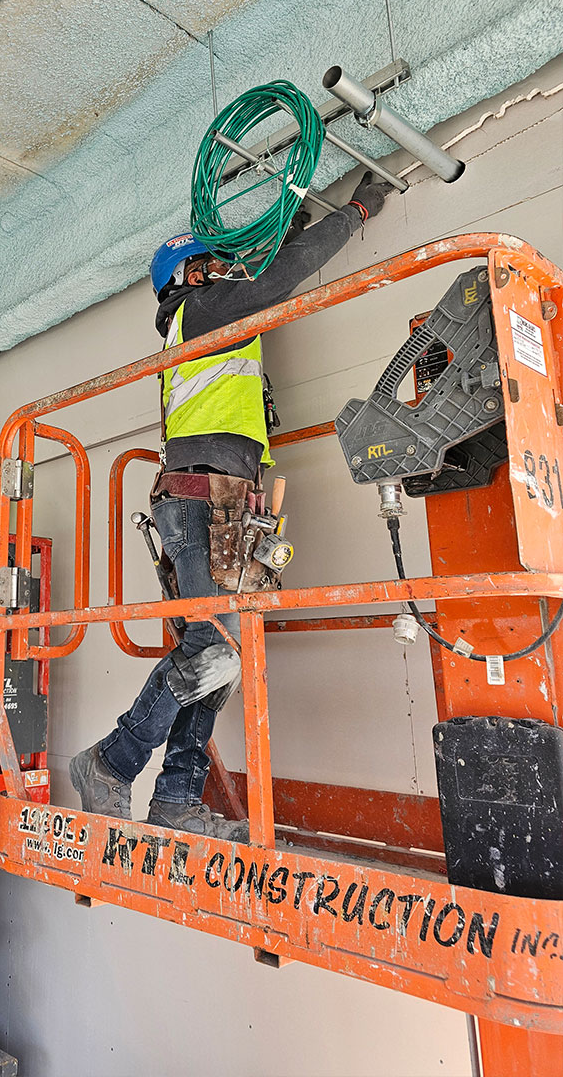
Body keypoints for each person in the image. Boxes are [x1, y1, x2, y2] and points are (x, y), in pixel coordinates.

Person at [70, 173, 392, 839]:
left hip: (228, 506)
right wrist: (358, 209)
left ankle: (176, 799)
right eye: (208, 262)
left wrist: (294, 214)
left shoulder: (218, 316)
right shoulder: (200, 311)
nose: (221, 268)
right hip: (201, 505)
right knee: (213, 647)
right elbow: (276, 281)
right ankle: (111, 761)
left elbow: (267, 272)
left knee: (224, 657)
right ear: (180, 278)